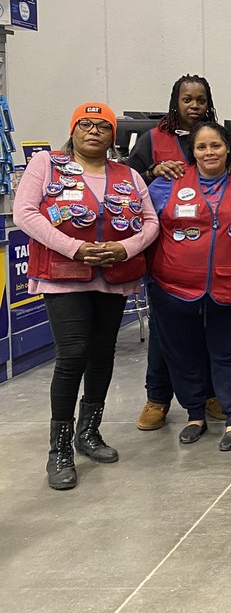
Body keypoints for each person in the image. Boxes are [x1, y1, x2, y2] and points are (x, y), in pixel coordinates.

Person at [15, 103, 159, 490]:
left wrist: (125, 249)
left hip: (113, 276)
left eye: (102, 126)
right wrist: (72, 248)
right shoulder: (46, 165)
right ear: (73, 130)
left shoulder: (128, 174)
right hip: (64, 277)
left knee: (101, 354)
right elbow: (25, 213)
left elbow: (150, 222)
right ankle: (59, 449)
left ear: (114, 136)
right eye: (85, 124)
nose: (93, 131)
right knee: (73, 353)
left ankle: (88, 432)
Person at [126, 74, 231, 433]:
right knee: (167, 337)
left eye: (201, 100)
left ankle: (207, 395)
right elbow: (127, 183)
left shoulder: (219, 137)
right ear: (175, 101)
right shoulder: (152, 139)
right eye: (187, 99)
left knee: (209, 335)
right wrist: (150, 171)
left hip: (213, 266)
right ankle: (157, 397)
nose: (194, 106)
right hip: (166, 262)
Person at [147, 122, 231, 451]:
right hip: (174, 288)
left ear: (228, 149)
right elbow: (146, 225)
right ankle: (194, 415)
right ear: (192, 152)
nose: (209, 152)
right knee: (183, 354)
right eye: (201, 147)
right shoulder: (168, 183)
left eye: (216, 146)